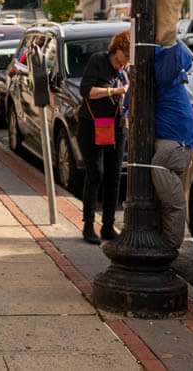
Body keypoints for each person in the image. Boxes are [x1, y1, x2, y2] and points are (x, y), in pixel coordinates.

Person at [77, 29, 130, 244]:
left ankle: (108, 226)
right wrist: (115, 92)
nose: (126, 61)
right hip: (91, 125)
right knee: (96, 173)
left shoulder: (125, 70)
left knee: (114, 176)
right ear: (117, 50)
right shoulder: (98, 61)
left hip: (116, 127)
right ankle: (88, 225)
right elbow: (86, 91)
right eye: (125, 56)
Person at [151, 39, 193, 249]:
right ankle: (167, 244)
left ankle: (169, 248)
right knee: (167, 200)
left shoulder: (161, 61)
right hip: (180, 141)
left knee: (171, 202)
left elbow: (177, 52)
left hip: (174, 142)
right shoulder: (169, 66)